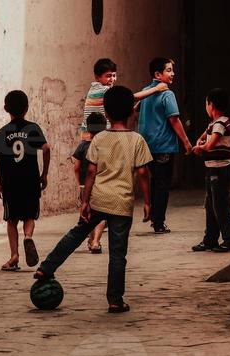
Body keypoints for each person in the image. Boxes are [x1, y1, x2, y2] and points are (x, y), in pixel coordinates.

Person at [35, 85, 152, 314]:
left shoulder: (99, 140)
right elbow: (143, 173)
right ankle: (115, 300)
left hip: (99, 199)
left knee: (77, 233)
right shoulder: (137, 140)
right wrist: (148, 202)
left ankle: (46, 267)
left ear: (106, 113)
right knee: (118, 254)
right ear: (131, 112)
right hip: (122, 203)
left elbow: (90, 172)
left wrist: (85, 200)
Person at [0, 89, 50, 271]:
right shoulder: (32, 129)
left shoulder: (3, 133)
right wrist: (44, 174)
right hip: (30, 181)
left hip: (10, 183)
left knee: (11, 220)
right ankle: (28, 237)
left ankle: (14, 256)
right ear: (27, 108)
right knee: (29, 216)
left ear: (5, 108)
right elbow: (46, 149)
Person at [137, 57, 193, 234]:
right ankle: (159, 222)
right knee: (162, 185)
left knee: (155, 182)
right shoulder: (167, 94)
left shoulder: (146, 92)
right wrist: (186, 142)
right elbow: (174, 120)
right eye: (168, 70)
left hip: (146, 146)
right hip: (163, 146)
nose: (173, 73)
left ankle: (155, 218)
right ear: (157, 74)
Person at [191, 88, 230, 253]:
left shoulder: (220, 123)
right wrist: (201, 140)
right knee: (211, 206)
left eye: (206, 103)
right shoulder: (214, 123)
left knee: (221, 207)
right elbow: (204, 136)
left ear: (210, 105)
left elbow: (210, 144)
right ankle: (210, 240)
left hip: (220, 170)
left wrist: (200, 148)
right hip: (212, 170)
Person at [81, 57, 166, 130]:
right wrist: (156, 88)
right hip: (97, 135)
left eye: (114, 75)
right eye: (108, 76)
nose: (112, 79)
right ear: (97, 77)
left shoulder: (93, 88)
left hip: (89, 134)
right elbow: (129, 97)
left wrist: (134, 107)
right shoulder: (104, 90)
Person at [72, 111, 107, 253]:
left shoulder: (82, 146)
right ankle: (96, 241)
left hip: (85, 185)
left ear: (88, 128)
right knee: (102, 214)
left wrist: (79, 183)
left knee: (88, 213)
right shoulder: (106, 146)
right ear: (105, 127)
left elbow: (76, 167)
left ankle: (91, 238)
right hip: (102, 184)